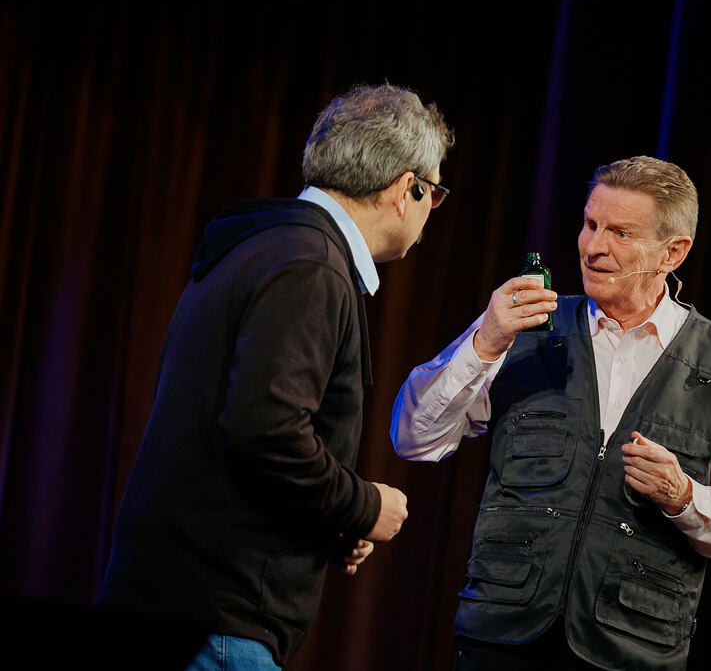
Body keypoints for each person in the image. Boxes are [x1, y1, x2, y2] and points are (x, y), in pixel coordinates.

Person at [100, 83, 454, 670]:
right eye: (434, 193)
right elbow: (265, 432)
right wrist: (366, 505)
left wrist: (328, 518)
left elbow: (236, 438)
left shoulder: (264, 244)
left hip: (173, 602)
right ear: (405, 188)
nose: (429, 213)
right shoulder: (311, 266)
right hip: (217, 621)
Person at [391, 156, 711, 670]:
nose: (594, 247)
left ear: (674, 252)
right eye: (591, 224)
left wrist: (684, 496)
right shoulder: (523, 328)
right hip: (502, 642)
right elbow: (414, 438)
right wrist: (484, 342)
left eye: (621, 233)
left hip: (631, 652)